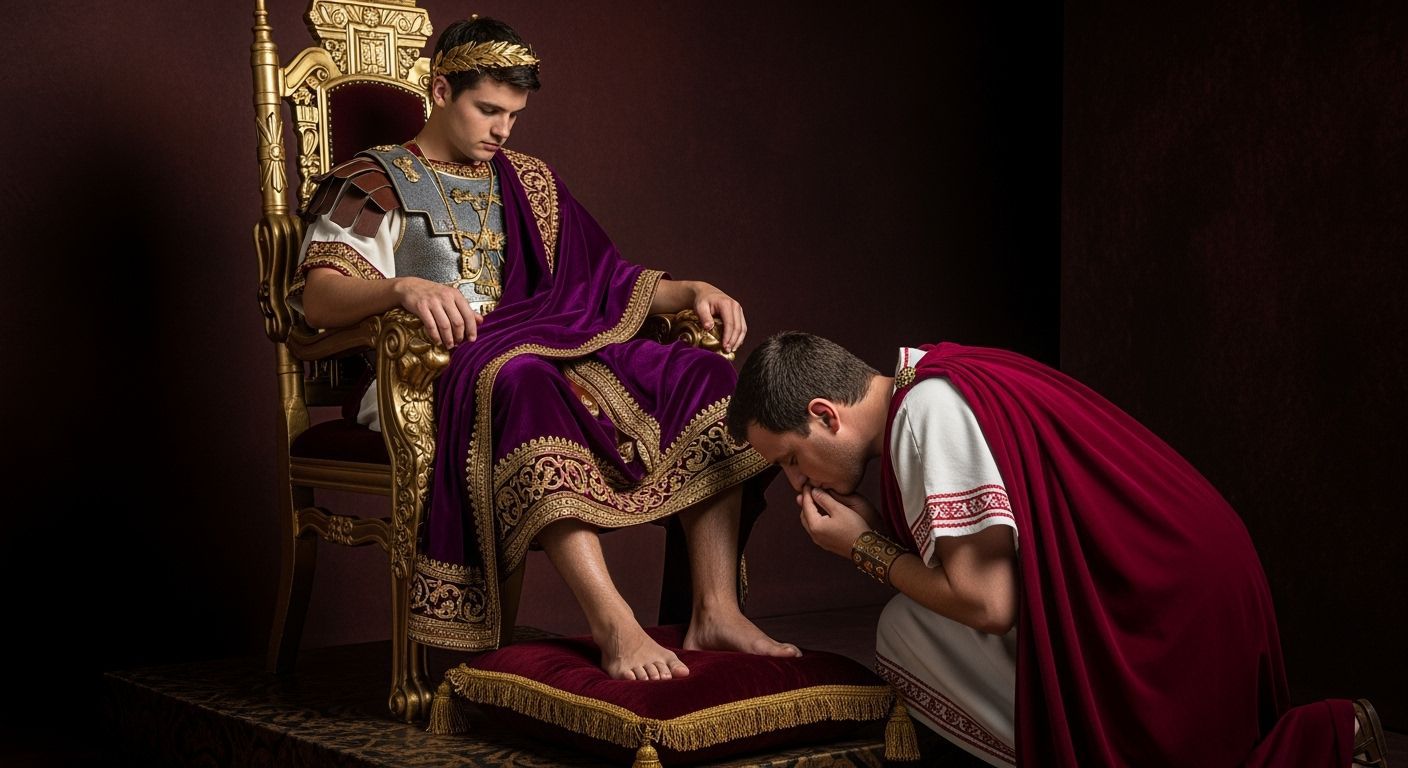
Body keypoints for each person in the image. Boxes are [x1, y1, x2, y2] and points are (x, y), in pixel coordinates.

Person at [288, 16, 798, 681]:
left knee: (704, 374)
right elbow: (319, 300)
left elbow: (601, 281)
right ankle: (613, 622)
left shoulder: (528, 181)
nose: (502, 130)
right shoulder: (370, 182)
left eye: (514, 115)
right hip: (422, 375)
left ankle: (716, 609)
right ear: (440, 91)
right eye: (488, 110)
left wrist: (688, 291)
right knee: (526, 382)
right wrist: (401, 288)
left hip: (547, 348)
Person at [726, 331, 1388, 767]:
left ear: (824, 414)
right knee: (914, 619)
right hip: (1192, 571)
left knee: (902, 632)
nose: (797, 482)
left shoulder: (928, 413)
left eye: (789, 459)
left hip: (1167, 603)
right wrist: (878, 534)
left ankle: (1328, 743)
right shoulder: (932, 374)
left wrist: (865, 549)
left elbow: (989, 603)